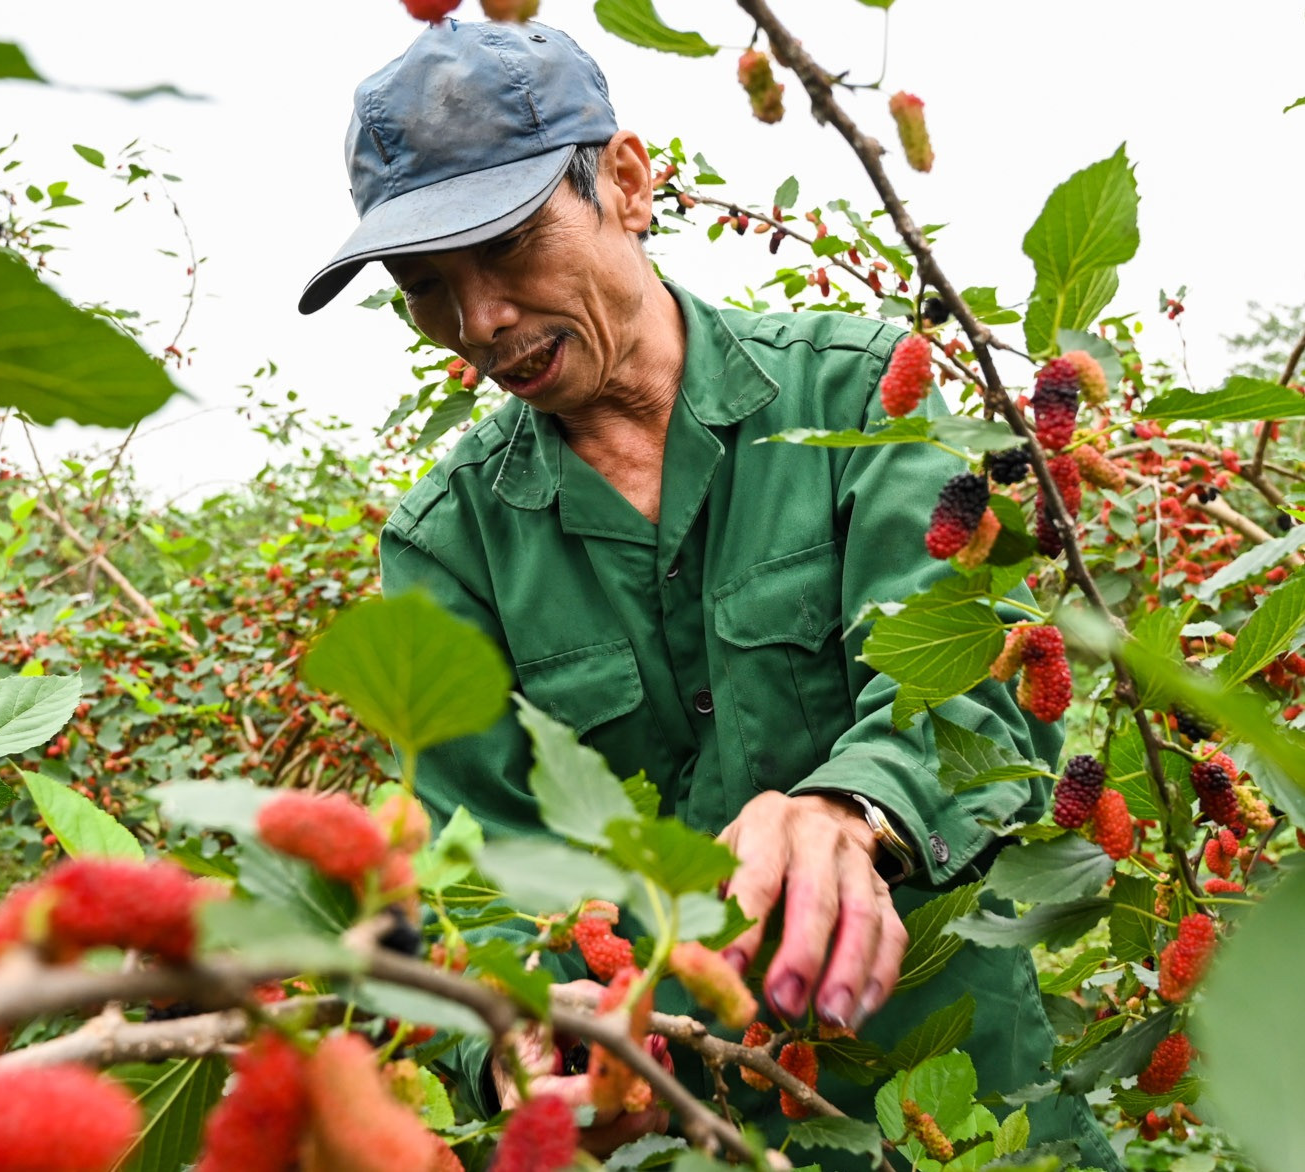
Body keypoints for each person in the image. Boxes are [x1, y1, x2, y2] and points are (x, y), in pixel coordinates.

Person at [299, 18, 1121, 1171]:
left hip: (960, 1106)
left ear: (626, 182)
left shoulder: (867, 392)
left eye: (511, 245)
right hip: (670, 1127)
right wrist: (518, 1036)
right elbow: (473, 865)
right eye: (427, 286)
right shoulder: (447, 544)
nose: (477, 320)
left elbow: (981, 685)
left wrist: (852, 807)